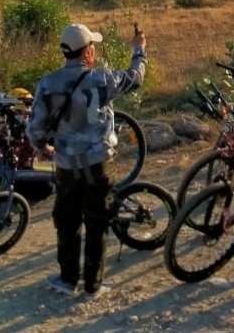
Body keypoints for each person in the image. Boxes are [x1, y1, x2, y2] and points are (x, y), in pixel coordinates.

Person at [26, 22, 146, 298]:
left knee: (66, 220)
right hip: (98, 161)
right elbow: (135, 78)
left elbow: (36, 128)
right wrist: (139, 50)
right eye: (92, 45)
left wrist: (42, 147)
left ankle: (68, 279)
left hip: (66, 164)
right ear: (87, 51)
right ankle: (93, 283)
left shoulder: (47, 84)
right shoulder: (102, 79)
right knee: (97, 220)